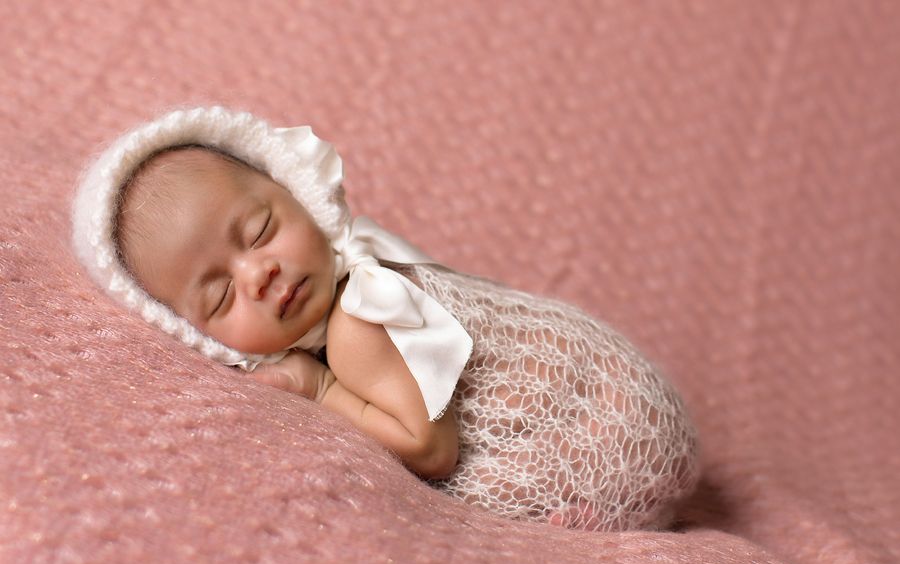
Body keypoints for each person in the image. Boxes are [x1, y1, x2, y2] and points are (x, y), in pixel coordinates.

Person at [72, 106, 700, 531]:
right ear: (198, 337)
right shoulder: (377, 261)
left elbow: (430, 449)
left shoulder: (357, 321)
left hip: (611, 451)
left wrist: (321, 388)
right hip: (629, 395)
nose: (257, 273)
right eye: (219, 297)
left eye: (260, 229)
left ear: (297, 189)